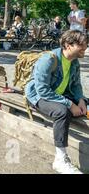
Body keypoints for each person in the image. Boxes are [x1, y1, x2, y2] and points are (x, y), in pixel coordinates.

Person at [25, 30, 87, 174]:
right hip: (39, 96)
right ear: (68, 45)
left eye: (86, 44)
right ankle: (60, 159)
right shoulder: (49, 60)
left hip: (60, 94)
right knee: (62, 112)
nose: (85, 47)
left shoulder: (74, 61)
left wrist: (81, 100)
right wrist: (70, 104)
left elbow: (76, 85)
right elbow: (42, 90)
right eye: (81, 44)